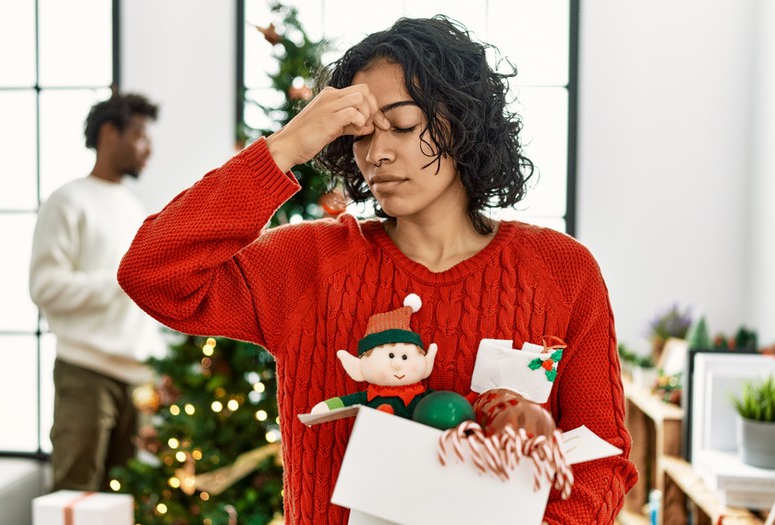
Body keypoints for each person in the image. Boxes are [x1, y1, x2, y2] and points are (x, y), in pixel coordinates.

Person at [118, 15, 637, 524]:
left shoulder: (563, 271)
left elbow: (601, 457)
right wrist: (288, 146)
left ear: (463, 120)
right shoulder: (308, 263)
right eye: (361, 135)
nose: (378, 154)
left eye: (404, 125)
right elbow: (151, 272)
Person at [30, 92, 166, 491]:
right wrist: (120, 280)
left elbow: (141, 298)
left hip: (137, 379)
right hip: (86, 373)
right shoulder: (67, 201)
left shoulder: (135, 207)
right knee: (76, 494)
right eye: (141, 135)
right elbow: (44, 287)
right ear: (110, 134)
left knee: (124, 500)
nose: (150, 148)